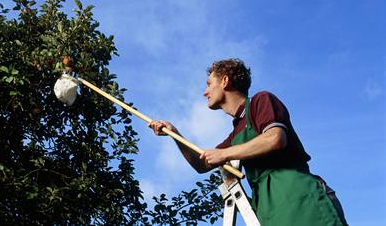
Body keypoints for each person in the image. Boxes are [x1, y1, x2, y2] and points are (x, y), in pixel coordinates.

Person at [149, 58, 348, 226]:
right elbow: (202, 164)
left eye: (209, 83)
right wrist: (175, 134)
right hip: (269, 210)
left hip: (300, 198)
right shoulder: (236, 133)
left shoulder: (261, 101)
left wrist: (225, 154)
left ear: (225, 81)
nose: (205, 92)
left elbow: (275, 138)